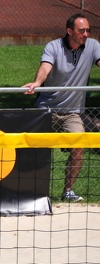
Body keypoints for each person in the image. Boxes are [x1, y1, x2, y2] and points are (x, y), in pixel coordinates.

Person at [23, 13, 100, 202]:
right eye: (81, 31)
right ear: (69, 31)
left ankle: (67, 191)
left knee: (78, 146)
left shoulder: (93, 46)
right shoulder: (53, 47)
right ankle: (28, 190)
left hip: (73, 112)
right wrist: (37, 82)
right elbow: (45, 67)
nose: (86, 34)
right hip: (46, 110)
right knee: (32, 148)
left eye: (88, 30)